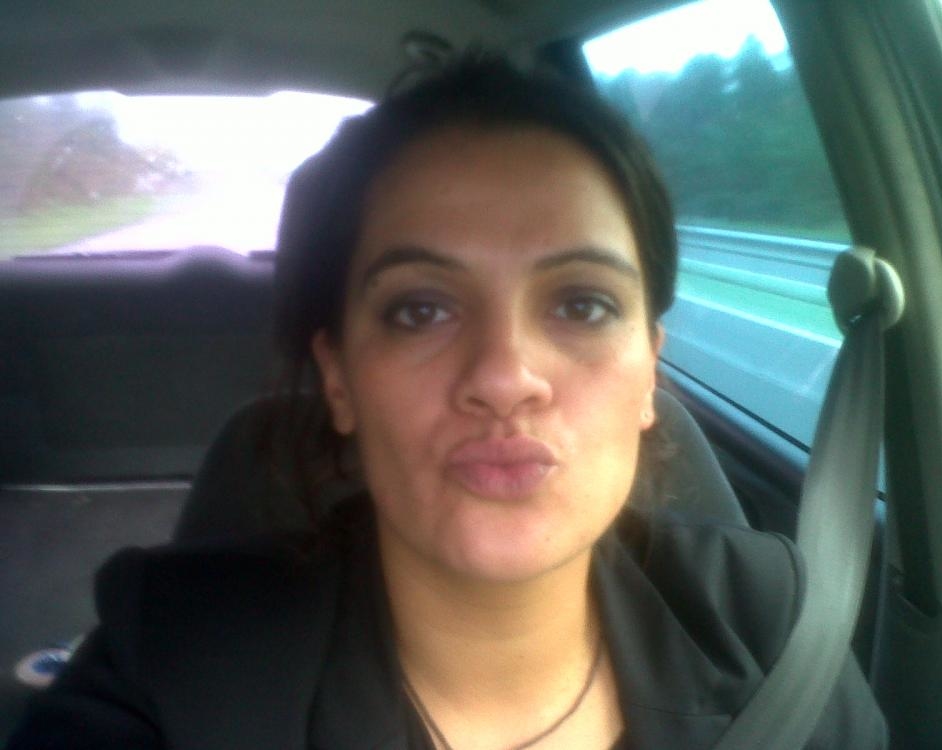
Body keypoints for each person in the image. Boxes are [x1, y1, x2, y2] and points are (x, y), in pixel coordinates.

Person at [7, 53, 887, 749]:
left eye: (583, 305)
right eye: (419, 310)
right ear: (340, 380)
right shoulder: (172, 660)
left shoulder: (773, 626)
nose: (504, 377)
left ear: (650, 371)